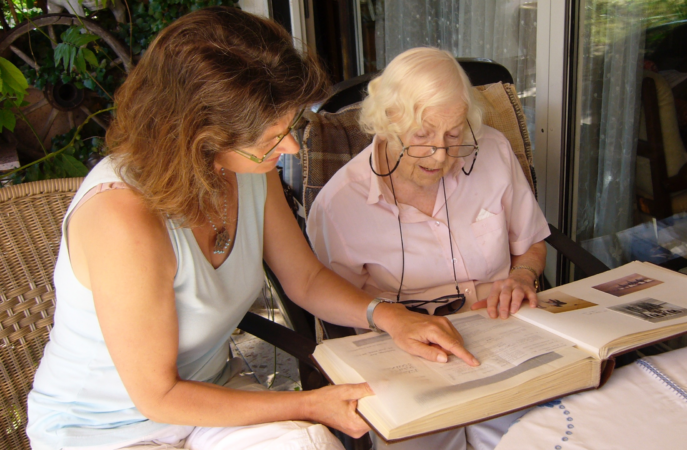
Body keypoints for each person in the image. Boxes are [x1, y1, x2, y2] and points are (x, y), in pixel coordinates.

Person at [26, 9, 477, 450]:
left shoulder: (245, 169)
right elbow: (158, 395)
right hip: (103, 430)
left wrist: (390, 317)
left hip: (211, 399)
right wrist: (310, 404)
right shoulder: (121, 218)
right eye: (271, 138)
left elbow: (306, 279)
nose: (291, 148)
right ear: (199, 135)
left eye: (288, 127)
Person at [306, 48, 551, 449]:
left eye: (453, 134)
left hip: (501, 334)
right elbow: (334, 306)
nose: (440, 154)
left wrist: (523, 275)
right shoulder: (340, 206)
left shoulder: (492, 151)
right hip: (409, 354)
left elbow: (531, 242)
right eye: (422, 135)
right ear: (387, 122)